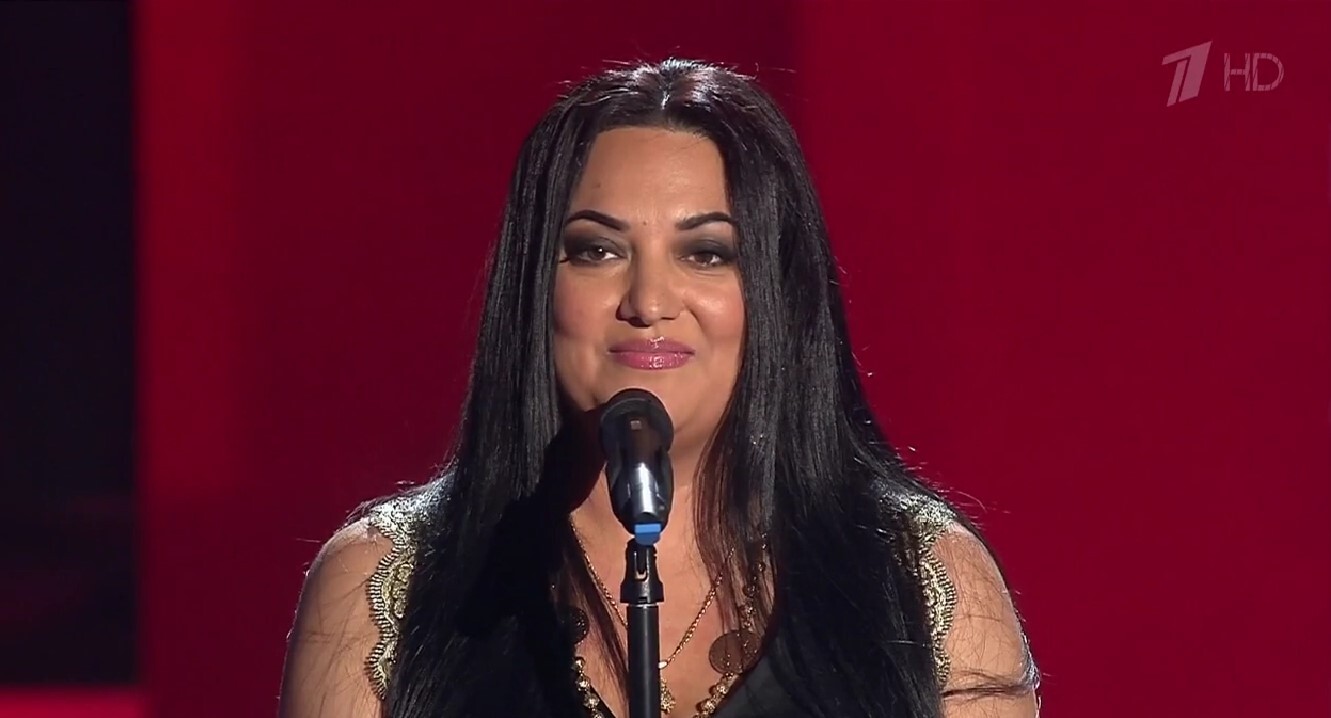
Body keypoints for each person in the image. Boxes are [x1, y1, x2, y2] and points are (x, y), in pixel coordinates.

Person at [279, 58, 1041, 718]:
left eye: (705, 254)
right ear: (536, 287)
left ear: (777, 294)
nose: (647, 302)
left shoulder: (917, 578)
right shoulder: (389, 580)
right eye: (597, 250)